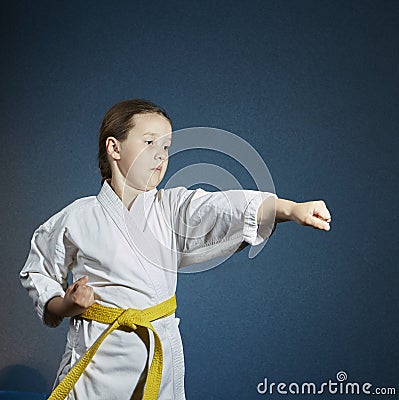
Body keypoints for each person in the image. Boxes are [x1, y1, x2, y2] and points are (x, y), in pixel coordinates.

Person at [20, 99, 331, 400]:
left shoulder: (171, 208)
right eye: (149, 143)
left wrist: (289, 208)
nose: (161, 155)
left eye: (166, 147)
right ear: (114, 148)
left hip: (156, 353)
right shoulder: (78, 217)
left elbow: (221, 207)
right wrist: (66, 306)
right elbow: (38, 269)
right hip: (98, 357)